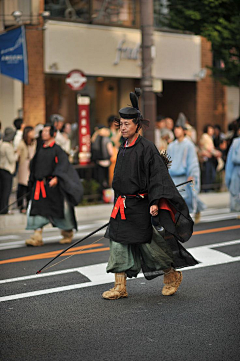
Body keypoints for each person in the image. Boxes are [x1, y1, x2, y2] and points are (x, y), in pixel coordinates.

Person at [102, 88, 198, 300]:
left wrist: (155, 201)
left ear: (137, 125)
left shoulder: (147, 148)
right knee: (117, 241)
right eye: (121, 123)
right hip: (122, 205)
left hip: (141, 205)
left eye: (127, 124)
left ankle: (172, 275)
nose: (123, 127)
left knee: (150, 246)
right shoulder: (123, 146)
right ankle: (120, 287)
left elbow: (158, 177)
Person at [25, 124, 83, 246]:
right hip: (40, 186)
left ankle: (67, 232)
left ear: (54, 134)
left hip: (54, 186)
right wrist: (32, 180)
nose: (44, 133)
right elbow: (34, 166)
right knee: (38, 209)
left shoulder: (58, 150)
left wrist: (57, 177)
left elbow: (63, 166)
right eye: (43, 131)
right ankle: (37, 236)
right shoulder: (40, 149)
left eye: (47, 131)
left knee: (61, 210)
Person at [167, 114, 206, 224]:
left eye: (179, 128)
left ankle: (195, 210)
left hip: (185, 175)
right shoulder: (171, 146)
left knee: (188, 197)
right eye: (175, 128)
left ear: (183, 130)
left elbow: (192, 161)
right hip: (173, 176)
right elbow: (168, 162)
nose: (176, 130)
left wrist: (192, 174)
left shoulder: (189, 145)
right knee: (175, 198)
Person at [16, 126, 36, 213]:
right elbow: (18, 155)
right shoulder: (21, 143)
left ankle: (29, 205)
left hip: (31, 165)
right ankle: (21, 206)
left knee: (30, 186)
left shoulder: (34, 142)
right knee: (22, 186)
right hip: (23, 165)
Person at [198, 124, 221, 192]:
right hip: (206, 158)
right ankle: (206, 189)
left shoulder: (209, 137)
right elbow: (208, 148)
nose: (212, 131)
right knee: (208, 173)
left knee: (210, 173)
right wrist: (217, 153)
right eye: (210, 129)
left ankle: (209, 188)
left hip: (210, 157)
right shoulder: (205, 136)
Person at [0, 128, 17, 214]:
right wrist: (17, 154)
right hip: (7, 170)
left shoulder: (2, 144)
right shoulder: (8, 146)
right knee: (6, 191)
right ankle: (4, 209)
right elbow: (12, 159)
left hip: (2, 169)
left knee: (2, 190)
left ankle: (2, 208)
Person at [91, 125, 113, 191]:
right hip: (106, 161)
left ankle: (100, 193)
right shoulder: (107, 139)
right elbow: (110, 151)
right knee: (106, 179)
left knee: (100, 179)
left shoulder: (95, 138)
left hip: (98, 162)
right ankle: (106, 195)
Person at [225, 125, 240, 212]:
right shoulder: (235, 143)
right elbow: (230, 161)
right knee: (234, 192)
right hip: (236, 171)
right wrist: (228, 177)